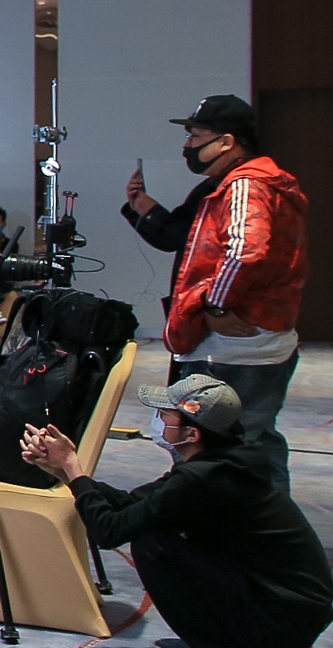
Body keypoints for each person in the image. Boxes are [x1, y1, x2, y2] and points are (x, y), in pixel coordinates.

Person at [22, 375, 331, 648]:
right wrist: (65, 473)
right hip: (282, 614)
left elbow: (109, 532)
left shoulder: (204, 477)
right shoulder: (224, 460)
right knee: (155, 537)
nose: (158, 419)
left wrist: (73, 467)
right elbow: (131, 504)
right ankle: (218, 639)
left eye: (166, 414)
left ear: (192, 433)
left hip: (281, 629)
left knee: (154, 546)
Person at [123, 94, 310, 489]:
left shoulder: (245, 184)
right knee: (255, 439)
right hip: (254, 340)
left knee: (217, 443)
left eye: (195, 136)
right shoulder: (233, 185)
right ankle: (270, 516)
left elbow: (244, 251)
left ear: (226, 142)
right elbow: (178, 235)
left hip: (234, 348)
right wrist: (144, 208)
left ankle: (228, 521)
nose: (187, 146)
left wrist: (216, 306)